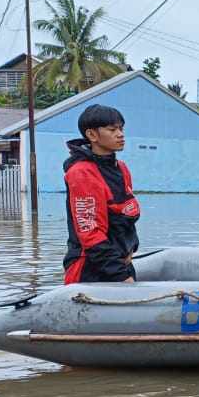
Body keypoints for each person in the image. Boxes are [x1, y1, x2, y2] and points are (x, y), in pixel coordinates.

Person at [62, 103, 141, 284]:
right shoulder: (82, 173)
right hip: (90, 269)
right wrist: (122, 275)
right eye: (112, 130)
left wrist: (131, 248)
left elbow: (127, 216)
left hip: (122, 262)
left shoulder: (122, 168)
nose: (120, 135)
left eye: (121, 129)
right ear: (92, 135)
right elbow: (90, 232)